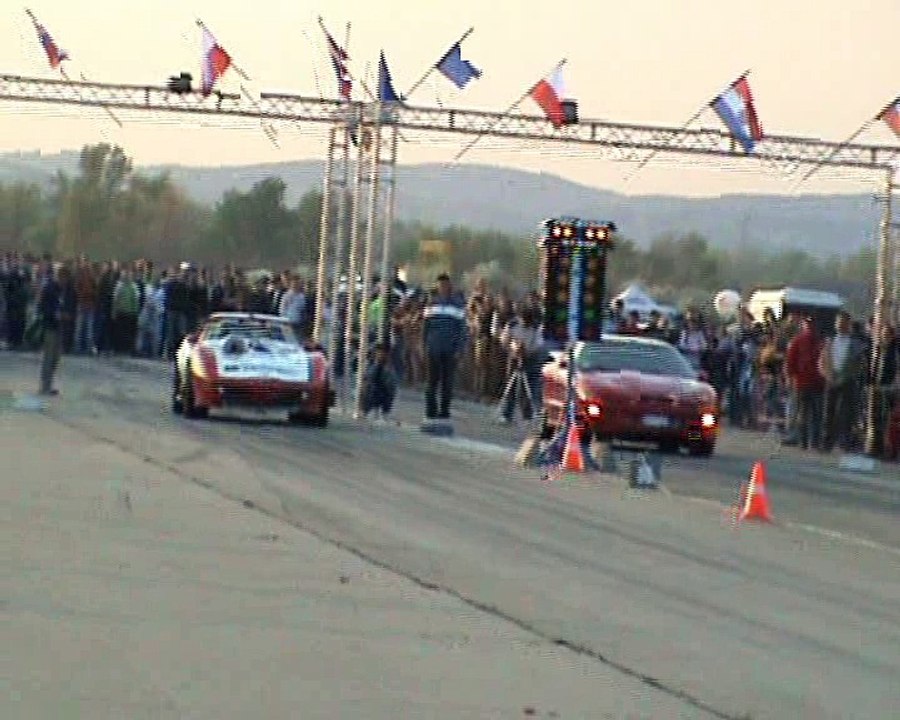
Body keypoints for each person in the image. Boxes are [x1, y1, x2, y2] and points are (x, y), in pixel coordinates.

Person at [422, 273, 468, 421]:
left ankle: (444, 410)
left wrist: (460, 349)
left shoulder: (457, 304)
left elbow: (462, 329)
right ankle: (431, 409)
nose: (442, 288)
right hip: (433, 347)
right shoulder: (431, 303)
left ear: (449, 286)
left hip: (450, 349)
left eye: (445, 285)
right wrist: (423, 345)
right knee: (432, 381)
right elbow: (426, 326)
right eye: (440, 285)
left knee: (447, 382)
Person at [37, 265, 64, 396]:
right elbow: (42, 306)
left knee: (55, 357)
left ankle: (49, 384)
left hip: (59, 326)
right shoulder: (49, 288)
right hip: (50, 326)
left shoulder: (60, 289)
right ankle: (45, 386)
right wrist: (53, 314)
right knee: (48, 357)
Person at [361, 343, 398, 421]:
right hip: (372, 394)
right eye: (378, 353)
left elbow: (391, 385)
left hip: (384, 393)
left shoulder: (389, 367)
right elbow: (368, 377)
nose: (380, 355)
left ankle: (383, 412)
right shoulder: (371, 364)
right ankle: (369, 411)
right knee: (371, 389)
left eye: (382, 353)